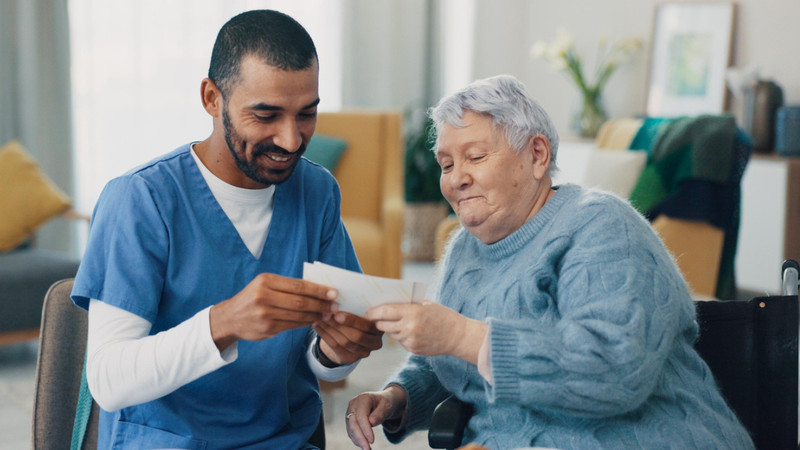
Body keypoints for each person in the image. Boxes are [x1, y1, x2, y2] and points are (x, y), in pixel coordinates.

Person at [346, 75, 755, 450]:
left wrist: (462, 335)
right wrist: (397, 396)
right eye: (447, 164)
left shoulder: (601, 225)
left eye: (474, 156)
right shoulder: (464, 248)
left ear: (537, 155)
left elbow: (615, 371)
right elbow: (449, 356)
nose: (456, 179)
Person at [71, 10, 383, 449]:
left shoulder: (317, 193)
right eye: (266, 115)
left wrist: (338, 352)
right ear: (212, 98)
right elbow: (108, 379)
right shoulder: (141, 200)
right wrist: (226, 322)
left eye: (306, 114)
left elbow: (322, 364)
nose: (292, 140)